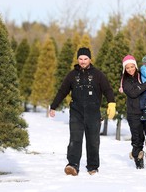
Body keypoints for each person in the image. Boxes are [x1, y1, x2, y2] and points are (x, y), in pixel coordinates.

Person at [49, 47, 116, 176]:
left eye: (85, 59)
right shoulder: (72, 75)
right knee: (75, 139)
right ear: (77, 59)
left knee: (93, 140)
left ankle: (93, 166)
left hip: (93, 113)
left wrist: (111, 104)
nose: (83, 61)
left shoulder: (98, 75)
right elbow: (63, 91)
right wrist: (53, 106)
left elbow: (107, 90)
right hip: (76, 112)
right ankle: (72, 165)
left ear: (90, 59)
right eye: (80, 59)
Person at [120, 55, 146, 169]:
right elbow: (133, 93)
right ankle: (138, 160)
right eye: (127, 68)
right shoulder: (125, 81)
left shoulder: (143, 75)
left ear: (135, 66)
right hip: (134, 114)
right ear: (125, 69)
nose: (130, 69)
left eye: (132, 66)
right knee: (137, 139)